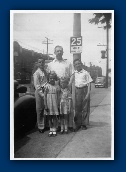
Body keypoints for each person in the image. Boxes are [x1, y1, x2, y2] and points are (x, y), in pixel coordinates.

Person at [46, 45, 73, 131]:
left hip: (65, 86)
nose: (59, 52)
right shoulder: (50, 64)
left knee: (66, 106)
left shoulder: (67, 63)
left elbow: (72, 74)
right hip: (55, 86)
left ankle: (68, 125)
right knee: (56, 105)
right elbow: (48, 76)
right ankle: (57, 126)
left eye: (61, 51)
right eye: (57, 51)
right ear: (54, 52)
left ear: (63, 52)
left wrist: (69, 84)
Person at [69, 59, 93, 131]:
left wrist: (88, 93)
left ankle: (84, 124)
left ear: (81, 64)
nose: (78, 65)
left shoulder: (85, 73)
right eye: (76, 64)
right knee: (77, 108)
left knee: (85, 108)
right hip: (77, 90)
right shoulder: (74, 73)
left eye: (79, 63)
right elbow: (70, 83)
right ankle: (78, 124)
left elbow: (89, 84)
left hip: (84, 89)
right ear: (74, 66)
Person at [44, 71, 60, 137]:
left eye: (53, 78)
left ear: (55, 78)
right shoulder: (46, 86)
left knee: (54, 116)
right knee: (49, 117)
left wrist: (58, 104)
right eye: (50, 78)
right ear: (48, 78)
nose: (52, 79)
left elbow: (58, 96)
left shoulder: (57, 86)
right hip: (49, 103)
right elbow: (44, 96)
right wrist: (45, 105)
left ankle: (54, 129)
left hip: (54, 103)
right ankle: (51, 129)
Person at [33, 59, 47, 133]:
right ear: (37, 63)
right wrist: (42, 95)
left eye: (43, 62)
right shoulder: (37, 73)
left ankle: (45, 124)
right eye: (40, 62)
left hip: (45, 90)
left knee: (45, 108)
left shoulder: (44, 71)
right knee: (40, 109)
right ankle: (40, 126)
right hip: (39, 92)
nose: (41, 63)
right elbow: (37, 85)